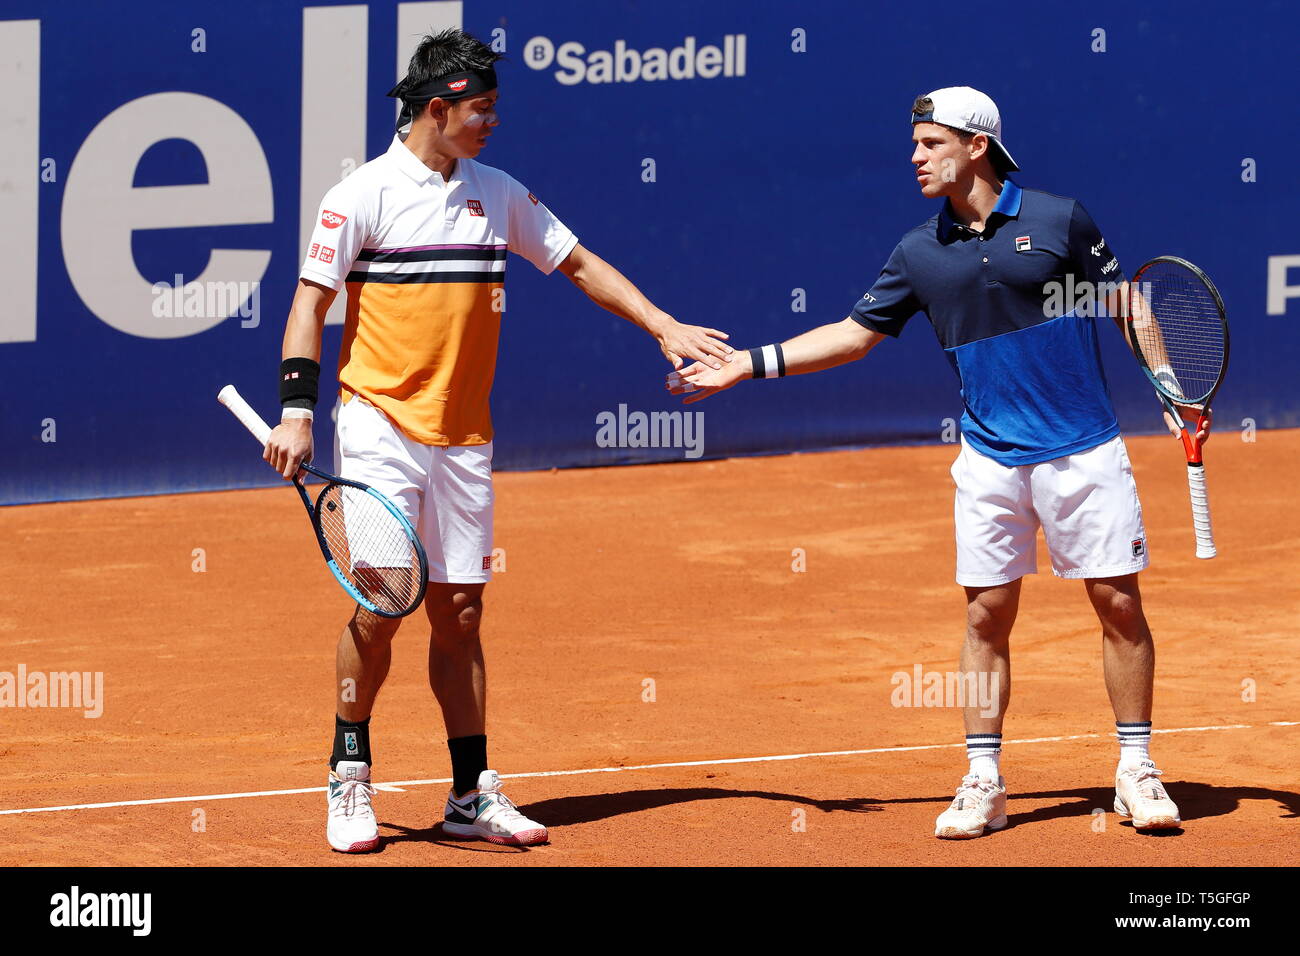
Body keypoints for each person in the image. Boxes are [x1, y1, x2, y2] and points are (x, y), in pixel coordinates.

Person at [667, 86, 1211, 839]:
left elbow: (1130, 307)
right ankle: (984, 779)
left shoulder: (1059, 220)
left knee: (1118, 604)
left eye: (931, 143)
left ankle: (1135, 769)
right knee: (986, 614)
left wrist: (1172, 392)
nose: (915, 157)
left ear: (975, 146)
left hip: (1083, 450)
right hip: (989, 461)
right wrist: (747, 366)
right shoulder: (919, 252)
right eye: (916, 144)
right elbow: (853, 336)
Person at [265, 27, 733, 853]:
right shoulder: (361, 196)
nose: (491, 123)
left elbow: (580, 264)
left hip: (464, 436)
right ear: (437, 109)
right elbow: (310, 303)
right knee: (381, 609)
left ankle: (469, 793)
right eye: (480, 110)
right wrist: (297, 410)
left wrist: (662, 326)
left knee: (463, 613)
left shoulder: (498, 191)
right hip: (378, 425)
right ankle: (348, 774)